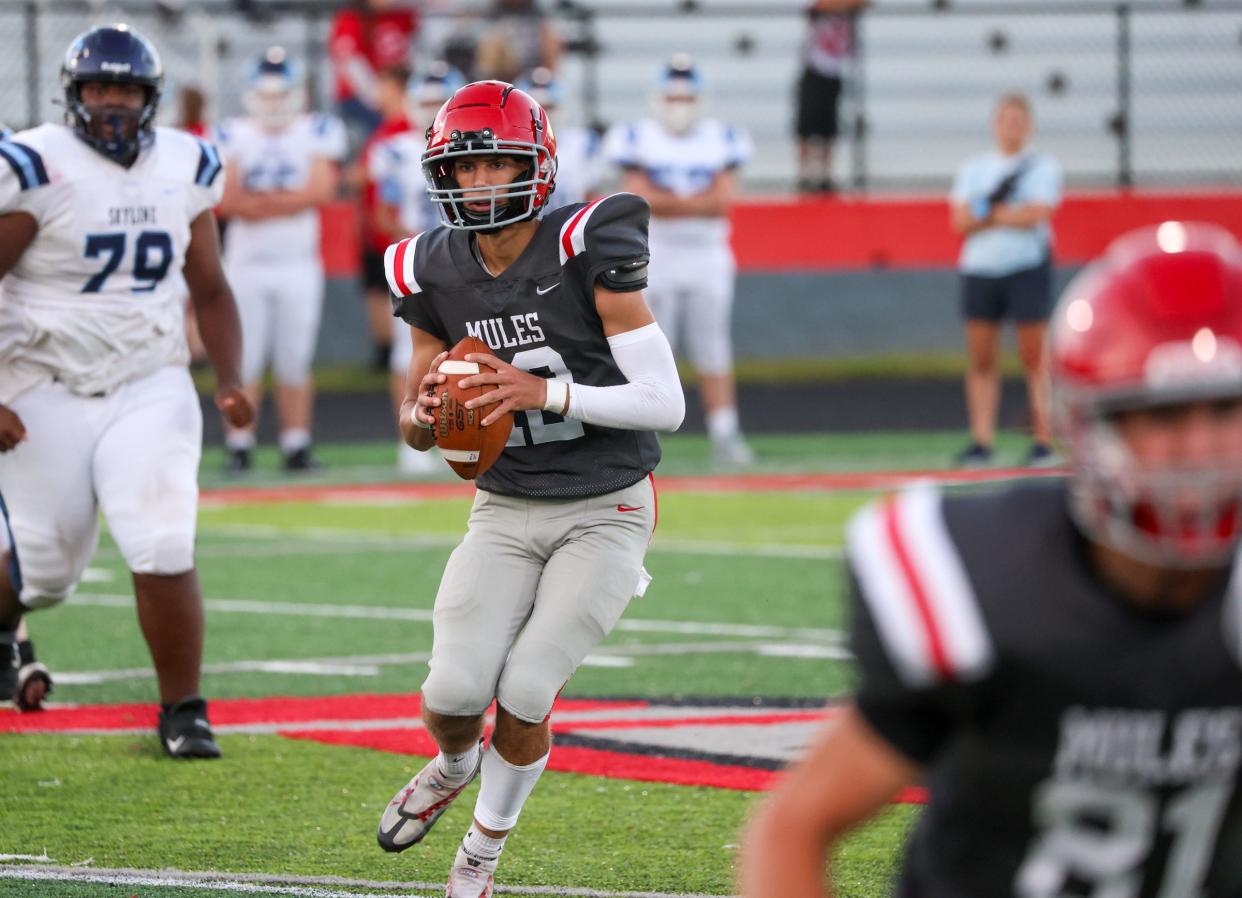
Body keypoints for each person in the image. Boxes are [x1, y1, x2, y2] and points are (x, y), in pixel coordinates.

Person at [740, 219, 1242, 898]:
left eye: (1226, 411)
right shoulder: (984, 582)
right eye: (1164, 417)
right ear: (1086, 426)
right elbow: (794, 828)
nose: (1200, 451)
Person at [374, 80, 685, 898]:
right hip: (506, 506)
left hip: (607, 503)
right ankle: (450, 765)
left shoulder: (589, 242)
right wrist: (430, 411)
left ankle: (482, 850)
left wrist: (539, 392)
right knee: (451, 694)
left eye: (496, 164)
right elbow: (414, 420)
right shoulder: (428, 266)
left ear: (537, 166)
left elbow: (667, 403)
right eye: (464, 168)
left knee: (525, 689)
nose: (479, 184)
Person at [0, 24, 252, 755]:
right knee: (45, 570)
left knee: (163, 535)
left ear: (152, 98)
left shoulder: (187, 164)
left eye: (128, 89)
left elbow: (209, 285)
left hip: (150, 379)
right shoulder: (36, 165)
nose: (113, 102)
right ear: (73, 96)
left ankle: (184, 710)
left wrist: (230, 379)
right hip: (43, 382)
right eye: (100, 88)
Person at [604, 56, 754, 468]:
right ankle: (641, 435)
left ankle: (725, 432)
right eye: (672, 96)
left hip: (708, 256)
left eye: (686, 97)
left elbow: (723, 199)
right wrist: (696, 203)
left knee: (713, 347)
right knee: (647, 349)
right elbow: (639, 198)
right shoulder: (634, 135)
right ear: (658, 98)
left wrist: (669, 201)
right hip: (654, 257)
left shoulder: (723, 136)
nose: (679, 104)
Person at [214, 47, 346, 473]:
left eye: (280, 94)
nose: (273, 104)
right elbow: (227, 199)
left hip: (297, 264)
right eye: (265, 95)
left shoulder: (316, 129)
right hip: (246, 266)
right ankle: (239, 444)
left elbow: (322, 190)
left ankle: (296, 443)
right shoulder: (232, 132)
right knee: (243, 360)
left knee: (294, 358)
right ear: (252, 95)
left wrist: (261, 203)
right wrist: (289, 202)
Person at [950, 92, 1062, 468]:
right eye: (1005, 119)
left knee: (1034, 355)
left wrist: (992, 215)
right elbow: (961, 220)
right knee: (982, 357)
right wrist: (1006, 214)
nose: (1011, 127)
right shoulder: (975, 168)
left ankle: (1043, 439)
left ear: (1028, 126)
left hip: (1025, 268)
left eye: (1018, 120)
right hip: (980, 270)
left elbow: (1038, 213)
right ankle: (982, 440)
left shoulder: (1042, 167)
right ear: (995, 124)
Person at [368, 62, 463, 476]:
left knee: (470, 348)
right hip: (420, 260)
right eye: (424, 101)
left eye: (438, 102)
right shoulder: (395, 151)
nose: (430, 109)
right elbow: (382, 215)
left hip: (466, 258)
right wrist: (422, 243)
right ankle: (412, 437)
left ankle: (465, 433)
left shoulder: (472, 149)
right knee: (408, 354)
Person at [355, 64, 415, 375]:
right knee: (379, 294)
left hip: (406, 233)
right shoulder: (386, 129)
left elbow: (362, 175)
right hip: (386, 226)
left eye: (385, 85)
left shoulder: (402, 132)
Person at [795, 0, 867, 193]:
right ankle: (804, 175)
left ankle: (826, 175)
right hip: (814, 66)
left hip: (835, 69)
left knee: (830, 126)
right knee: (806, 125)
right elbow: (816, 6)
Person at [328, 0, 418, 144]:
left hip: (398, 95)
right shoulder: (350, 18)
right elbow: (352, 66)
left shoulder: (402, 14)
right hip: (359, 99)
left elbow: (409, 55)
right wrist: (379, 97)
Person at [519, 67, 603, 212]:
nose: (543, 114)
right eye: (536, 108)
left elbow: (591, 197)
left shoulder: (583, 143)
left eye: (548, 107)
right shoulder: (510, 147)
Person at [474, 0, 561, 84]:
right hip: (503, 68)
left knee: (550, 40)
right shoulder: (495, 12)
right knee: (492, 42)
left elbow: (551, 45)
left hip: (533, 69)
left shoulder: (536, 12)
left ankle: (544, 85)